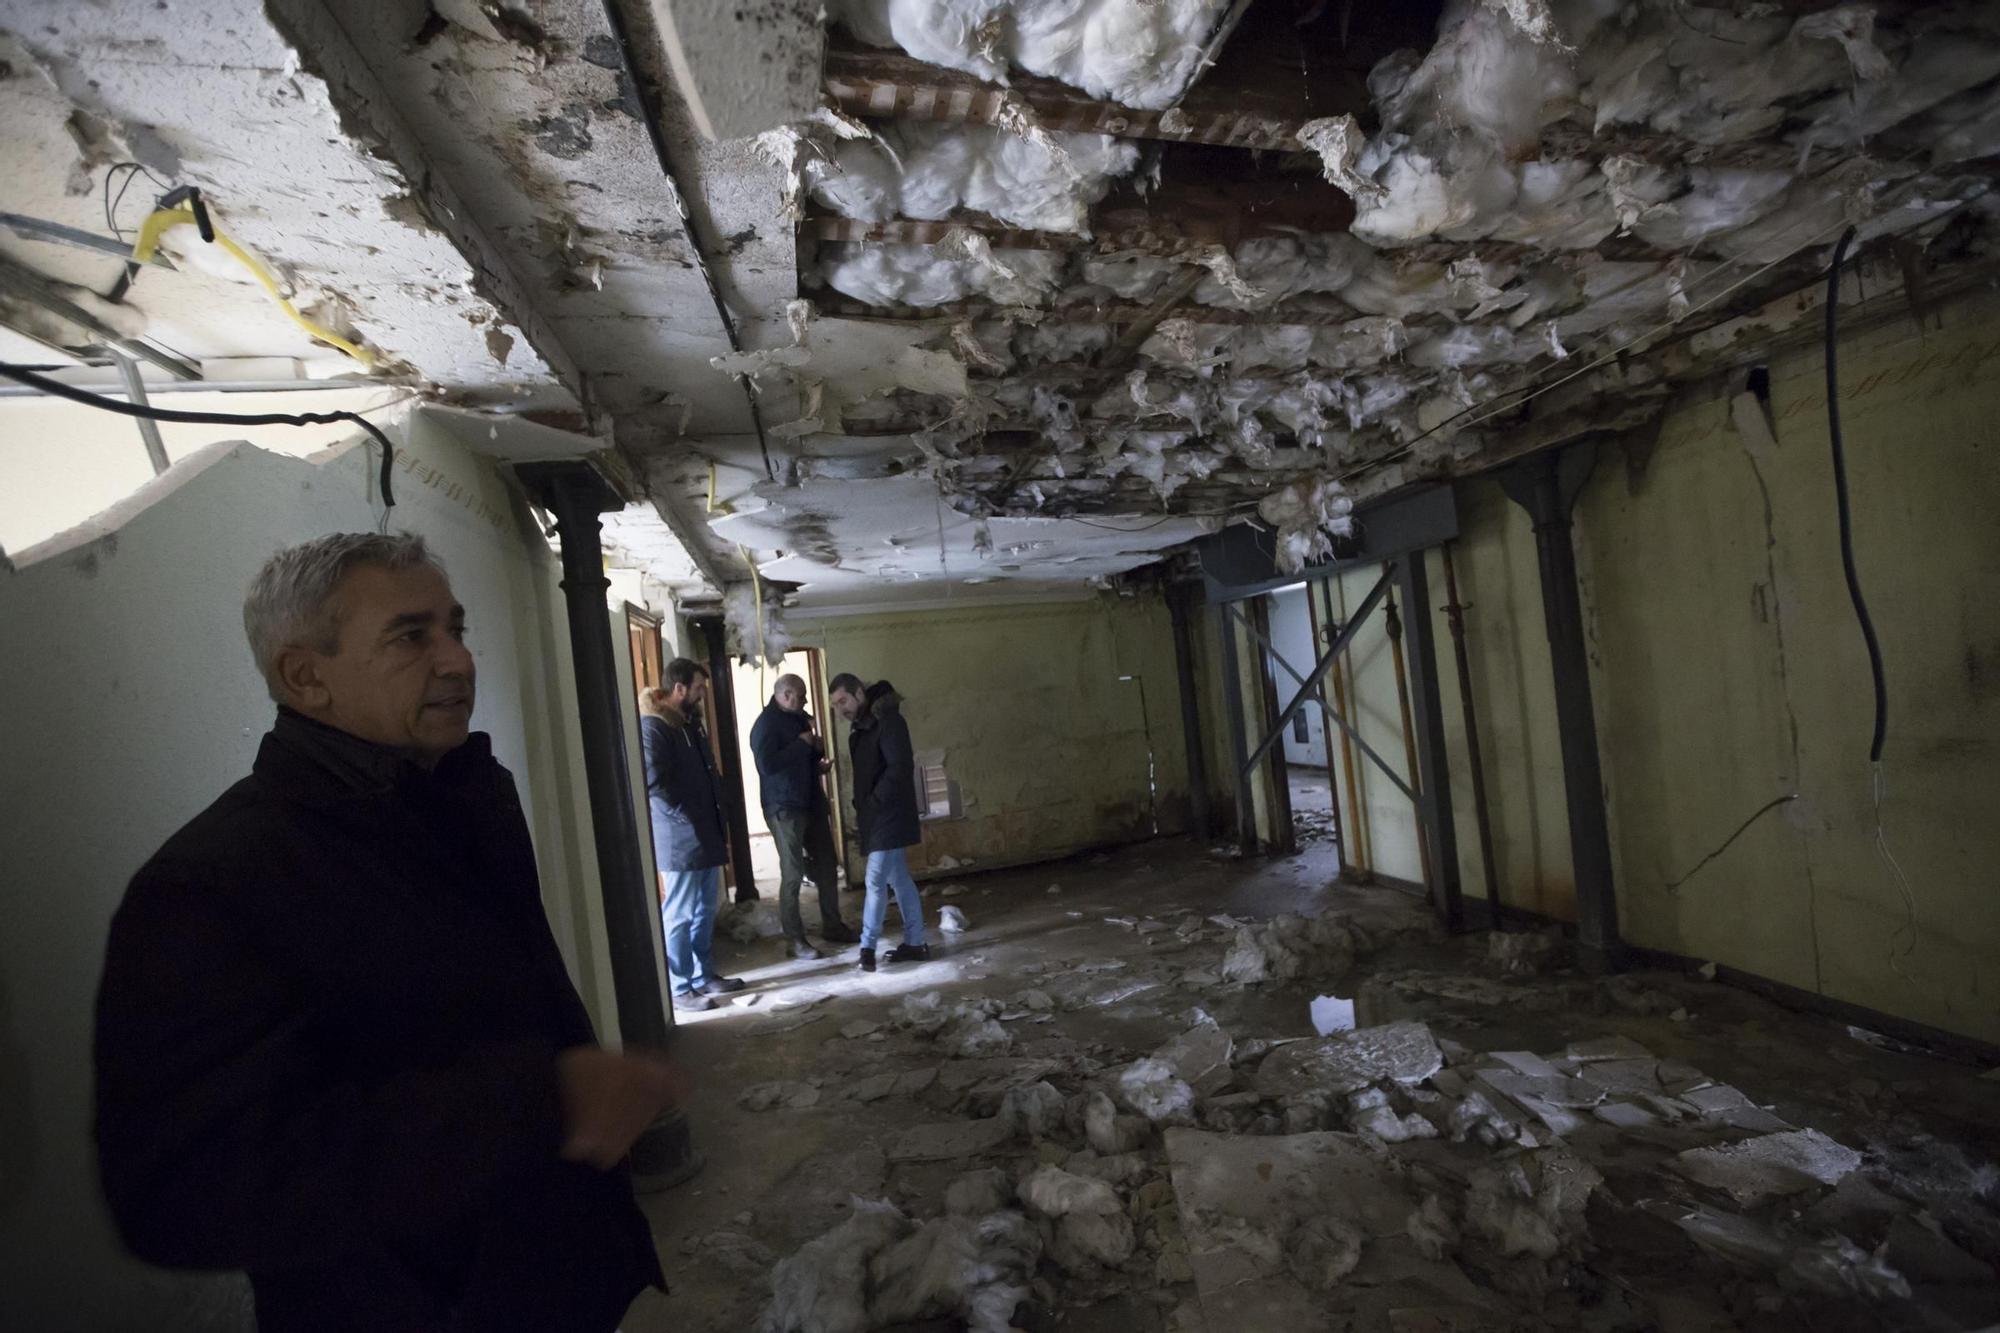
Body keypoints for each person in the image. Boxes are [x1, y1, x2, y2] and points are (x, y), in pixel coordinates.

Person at [93, 532, 676, 1332]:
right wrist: (538, 1102)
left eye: (455, 629)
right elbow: (182, 1191)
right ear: (306, 676)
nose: (458, 660)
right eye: (411, 636)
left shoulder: (461, 801)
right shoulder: (211, 884)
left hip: (546, 1283)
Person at [639, 659, 745, 1011]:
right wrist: (689, 816)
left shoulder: (688, 724)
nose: (702, 695)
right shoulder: (654, 727)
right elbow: (655, 784)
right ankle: (680, 987)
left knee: (704, 909)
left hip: (704, 832)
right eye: (698, 688)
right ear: (679, 688)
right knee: (680, 914)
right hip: (680, 839)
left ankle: (703, 976)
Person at [748, 673, 859, 959]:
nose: (806, 701)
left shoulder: (798, 719)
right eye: (801, 696)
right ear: (786, 695)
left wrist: (815, 758)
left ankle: (832, 925)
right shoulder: (765, 725)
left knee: (827, 865)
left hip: (811, 803)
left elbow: (799, 759)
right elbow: (767, 766)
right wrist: (801, 745)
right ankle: (795, 940)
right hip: (784, 808)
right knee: (793, 872)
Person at [828, 672, 929, 973]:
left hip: (889, 814)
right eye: (835, 705)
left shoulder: (889, 721)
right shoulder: (862, 726)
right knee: (898, 879)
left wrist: (873, 802)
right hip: (879, 814)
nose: (840, 709)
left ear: (859, 694)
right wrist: (865, 805)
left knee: (874, 880)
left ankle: (867, 949)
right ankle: (916, 942)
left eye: (843, 701)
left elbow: (900, 767)